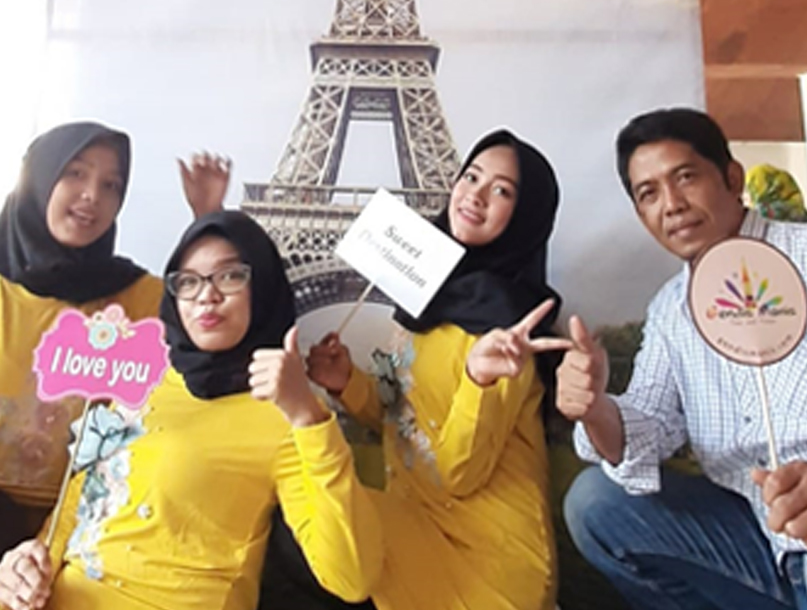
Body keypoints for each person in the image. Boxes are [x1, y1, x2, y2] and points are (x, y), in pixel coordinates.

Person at [0, 210, 382, 610]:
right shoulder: (143, 377)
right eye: (188, 281)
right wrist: (28, 568)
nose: (206, 295)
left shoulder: (287, 411)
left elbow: (351, 577)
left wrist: (308, 420)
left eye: (230, 276)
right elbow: (83, 501)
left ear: (263, 286)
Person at [263, 129, 571, 610]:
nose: (476, 195)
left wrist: (479, 380)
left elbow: (458, 475)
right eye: (472, 176)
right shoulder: (426, 295)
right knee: (307, 518)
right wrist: (348, 383)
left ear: (526, 216)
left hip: (487, 556)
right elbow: (400, 415)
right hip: (416, 521)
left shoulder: (509, 331)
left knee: (321, 527)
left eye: (502, 190)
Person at [559, 107, 807, 609]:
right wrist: (595, 407)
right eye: (648, 193)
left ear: (732, 179)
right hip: (758, 543)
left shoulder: (801, 255)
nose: (672, 205)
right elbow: (649, 426)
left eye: (686, 177)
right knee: (596, 503)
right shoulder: (672, 309)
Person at [0, 121, 229, 552]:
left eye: (111, 185)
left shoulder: (136, 298)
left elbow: (211, 331)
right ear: (38, 177)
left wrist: (208, 219)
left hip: (91, 529)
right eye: (75, 173)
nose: (93, 195)